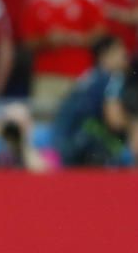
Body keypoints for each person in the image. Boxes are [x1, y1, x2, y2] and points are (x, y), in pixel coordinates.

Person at [52, 35, 131, 166]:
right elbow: (115, 121)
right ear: (105, 55)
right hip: (85, 146)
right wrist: (134, 125)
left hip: (61, 144)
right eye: (120, 50)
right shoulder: (113, 79)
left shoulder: (86, 76)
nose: (125, 54)